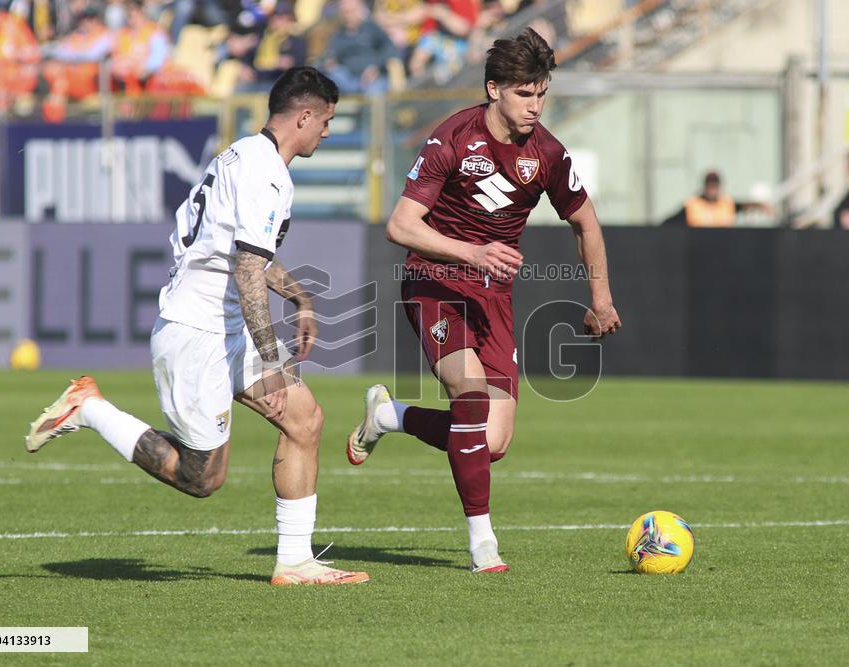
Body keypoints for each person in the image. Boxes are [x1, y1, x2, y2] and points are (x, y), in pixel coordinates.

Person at [25, 67, 369, 587]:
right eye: (326, 121)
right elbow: (247, 269)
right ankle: (89, 408)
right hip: (196, 333)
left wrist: (298, 295)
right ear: (304, 116)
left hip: (225, 325)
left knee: (305, 420)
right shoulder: (267, 174)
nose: (327, 131)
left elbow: (240, 251)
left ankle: (296, 562)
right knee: (201, 477)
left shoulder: (240, 155)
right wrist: (271, 358)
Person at [346, 28, 621, 573]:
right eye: (524, 93)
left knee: (491, 443)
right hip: (434, 282)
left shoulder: (547, 153)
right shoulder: (452, 138)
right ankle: (483, 544)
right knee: (470, 399)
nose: (535, 106)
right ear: (494, 89)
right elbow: (401, 225)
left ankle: (390, 415)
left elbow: (585, 221)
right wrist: (472, 252)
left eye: (542, 94)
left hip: (493, 296)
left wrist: (602, 297)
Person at [40, 7, 114, 123]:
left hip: (93, 83)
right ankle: (53, 126)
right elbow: (61, 51)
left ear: (97, 20)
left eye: (91, 19)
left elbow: (93, 54)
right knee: (56, 78)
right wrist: (76, 55)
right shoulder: (77, 36)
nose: (88, 22)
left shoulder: (105, 35)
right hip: (72, 79)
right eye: (85, 19)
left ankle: (54, 124)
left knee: (61, 82)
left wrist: (75, 55)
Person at [321, 0, 399, 95]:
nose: (348, 16)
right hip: (347, 79)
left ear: (361, 10)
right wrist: (330, 63)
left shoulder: (372, 28)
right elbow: (329, 56)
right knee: (329, 79)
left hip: (373, 78)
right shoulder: (338, 35)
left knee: (373, 91)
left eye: (352, 11)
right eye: (345, 12)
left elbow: (391, 49)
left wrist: (376, 67)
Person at [662, 171, 772, 228]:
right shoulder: (693, 205)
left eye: (715, 186)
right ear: (705, 187)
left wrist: (760, 205)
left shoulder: (727, 204)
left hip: (722, 248)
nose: (713, 190)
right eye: (710, 186)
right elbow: (671, 221)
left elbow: (743, 206)